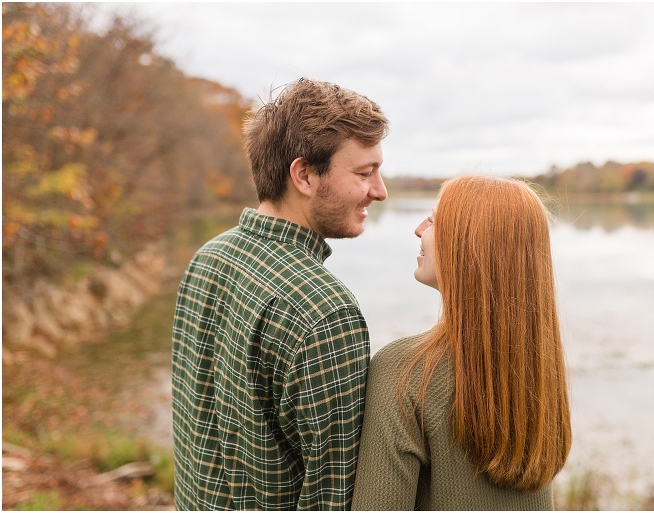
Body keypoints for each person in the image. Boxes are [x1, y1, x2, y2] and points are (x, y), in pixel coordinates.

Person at [171, 78, 389, 510]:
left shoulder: (208, 257)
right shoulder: (326, 312)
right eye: (364, 173)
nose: (380, 191)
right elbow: (333, 501)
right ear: (304, 175)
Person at [352, 175, 572, 510]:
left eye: (435, 220)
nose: (418, 228)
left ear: (470, 245)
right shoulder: (540, 374)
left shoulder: (404, 371)